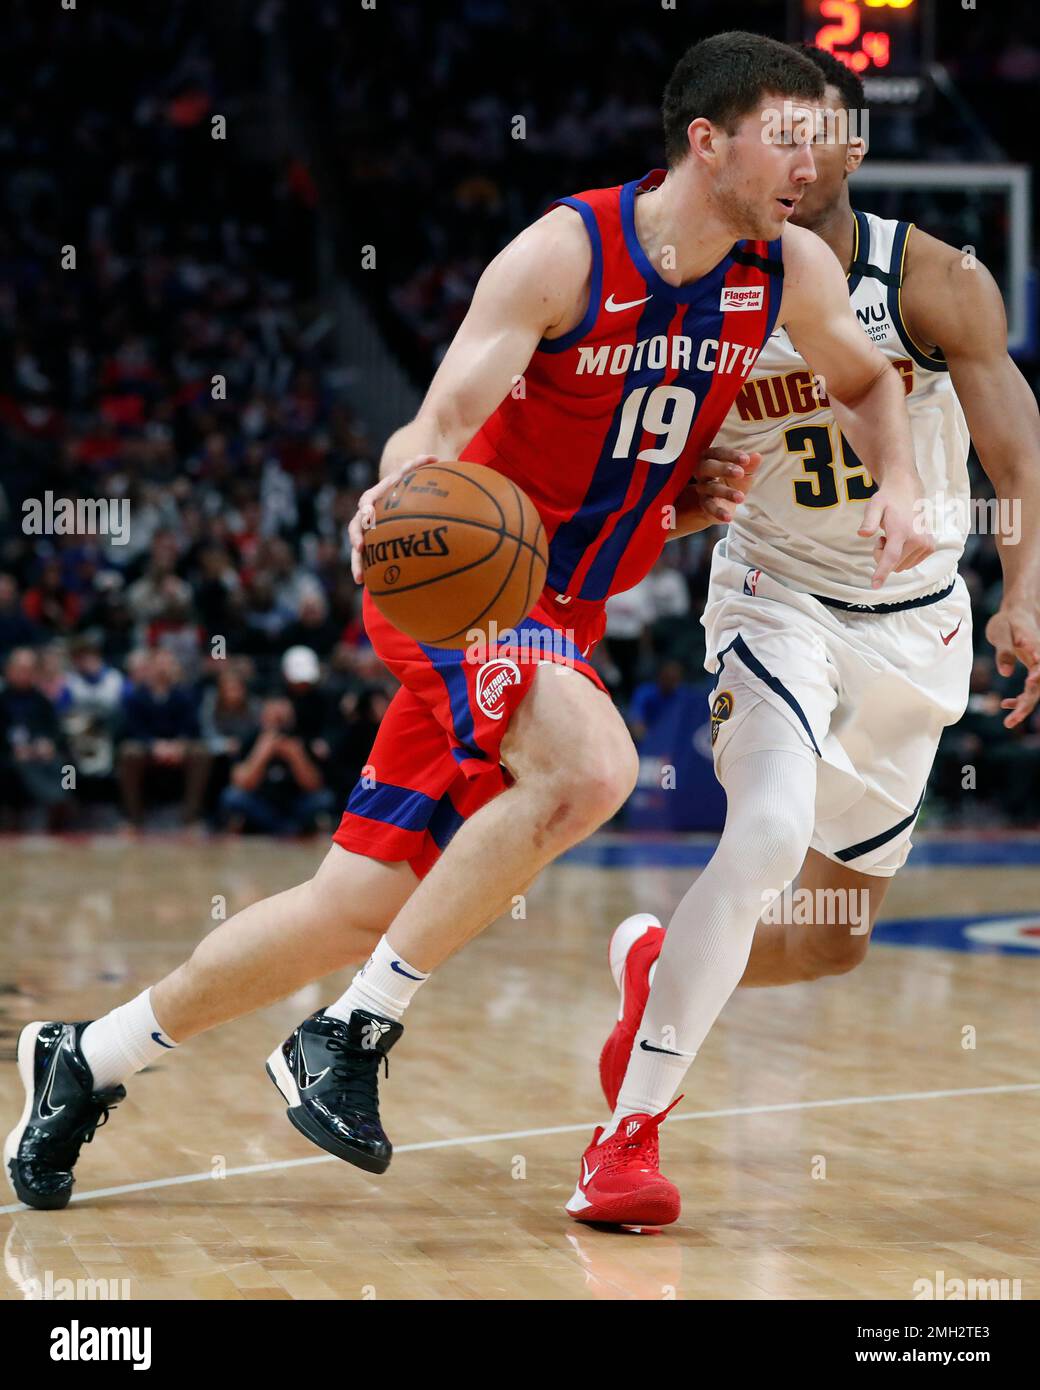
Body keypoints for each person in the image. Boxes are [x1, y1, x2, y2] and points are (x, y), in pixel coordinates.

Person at [5, 32, 933, 1211]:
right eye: (788, 139)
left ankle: (86, 1058)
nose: (814, 164)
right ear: (707, 143)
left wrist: (895, 482)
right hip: (462, 582)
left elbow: (863, 381)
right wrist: (394, 492)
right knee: (591, 767)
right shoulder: (564, 251)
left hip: (568, 607)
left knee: (352, 904)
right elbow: (438, 420)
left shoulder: (784, 267)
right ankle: (349, 1034)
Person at [578, 44, 1040, 1227]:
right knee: (768, 829)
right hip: (773, 600)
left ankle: (650, 966)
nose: (793, 153)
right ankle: (624, 1139)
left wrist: (1022, 592)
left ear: (852, 145)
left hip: (917, 625)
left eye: (812, 131)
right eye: (771, 131)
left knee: (829, 941)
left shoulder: (935, 282)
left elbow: (1015, 459)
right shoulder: (703, 293)